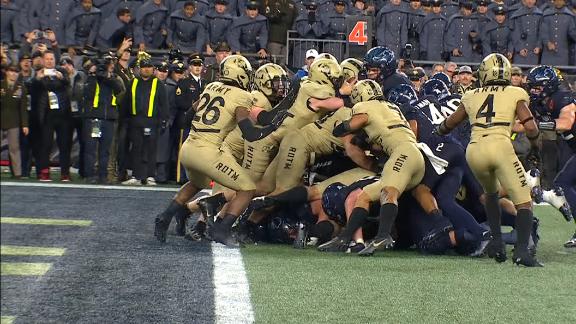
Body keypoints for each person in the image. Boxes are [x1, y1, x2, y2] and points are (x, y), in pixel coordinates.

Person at [437, 53, 542, 267]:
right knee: (524, 201)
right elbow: (530, 126)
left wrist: (438, 131)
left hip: (474, 150)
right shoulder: (515, 92)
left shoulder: (472, 95)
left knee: (490, 194)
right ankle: (521, 252)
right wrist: (534, 146)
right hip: (500, 146)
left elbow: (450, 123)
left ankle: (496, 242)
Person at [154, 55, 260, 246]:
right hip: (208, 152)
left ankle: (165, 216)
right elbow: (249, 132)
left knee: (196, 183)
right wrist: (271, 127)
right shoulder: (242, 96)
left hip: (188, 148)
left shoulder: (210, 87)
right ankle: (222, 229)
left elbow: (187, 117)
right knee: (247, 188)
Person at [318, 79, 426, 255]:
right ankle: (345, 238)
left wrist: (342, 127)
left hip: (403, 153)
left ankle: (383, 235)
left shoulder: (364, 107)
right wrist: (369, 142)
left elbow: (360, 120)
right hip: (414, 156)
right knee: (364, 196)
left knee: (388, 192)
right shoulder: (392, 107)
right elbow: (391, 134)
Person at [525, 66, 576, 248]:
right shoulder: (538, 103)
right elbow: (522, 124)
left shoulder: (562, 97)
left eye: (537, 87)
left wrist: (538, 125)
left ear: (549, 86)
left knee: (563, 183)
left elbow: (566, 123)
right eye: (531, 87)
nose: (533, 91)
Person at [122, 57, 168, 185]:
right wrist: (125, 119)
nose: (146, 69)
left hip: (152, 121)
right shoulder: (133, 82)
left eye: (148, 67)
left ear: (153, 69)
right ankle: (136, 175)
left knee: (151, 149)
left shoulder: (157, 83)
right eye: (144, 67)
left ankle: (150, 175)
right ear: (139, 69)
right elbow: (126, 101)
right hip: (135, 120)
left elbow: (163, 103)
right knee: (136, 148)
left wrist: (164, 120)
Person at [83, 54, 125, 184]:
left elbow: (119, 90)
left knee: (105, 150)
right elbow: (87, 93)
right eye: (109, 64)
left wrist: (107, 77)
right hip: (95, 118)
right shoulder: (92, 78)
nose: (111, 66)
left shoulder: (114, 79)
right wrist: (94, 75)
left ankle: (103, 176)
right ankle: (90, 175)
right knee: (91, 149)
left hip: (108, 119)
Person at [32, 50, 73, 182]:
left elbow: (68, 82)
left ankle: (65, 173)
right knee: (45, 145)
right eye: (47, 59)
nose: (50, 61)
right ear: (43, 60)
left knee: (64, 145)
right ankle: (44, 172)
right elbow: (32, 89)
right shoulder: (38, 74)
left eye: (52, 59)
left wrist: (62, 77)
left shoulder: (61, 72)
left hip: (63, 115)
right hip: (46, 115)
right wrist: (37, 79)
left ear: (55, 60)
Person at [60, 55, 87, 178]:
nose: (66, 67)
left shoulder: (81, 76)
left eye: (68, 64)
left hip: (81, 114)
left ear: (72, 65)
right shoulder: (60, 78)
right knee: (65, 144)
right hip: (66, 115)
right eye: (63, 65)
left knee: (84, 143)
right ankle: (65, 172)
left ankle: (83, 170)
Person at [1, 65, 28, 179]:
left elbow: (23, 108)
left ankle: (17, 173)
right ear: (6, 72)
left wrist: (25, 125)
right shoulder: (1, 85)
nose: (13, 74)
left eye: (16, 72)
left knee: (14, 148)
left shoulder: (21, 88)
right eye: (11, 71)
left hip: (14, 121)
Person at [539, 0, 576, 66]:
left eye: (561, 0)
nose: (559, 2)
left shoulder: (569, 16)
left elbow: (572, 33)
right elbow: (543, 31)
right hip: (548, 54)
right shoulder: (546, 14)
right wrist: (547, 42)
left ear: (564, 2)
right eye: (557, 0)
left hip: (562, 54)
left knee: (561, 74)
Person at [510, 0, 543, 65]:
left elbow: (541, 32)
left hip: (534, 52)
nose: (530, 1)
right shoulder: (517, 14)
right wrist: (520, 48)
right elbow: (515, 33)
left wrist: (538, 46)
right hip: (519, 53)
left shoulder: (539, 14)